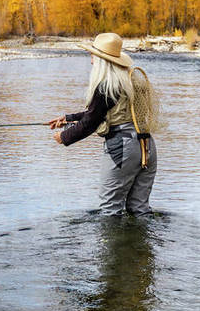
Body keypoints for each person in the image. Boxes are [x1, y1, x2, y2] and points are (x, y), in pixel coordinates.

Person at [48, 32, 157, 216]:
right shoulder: (128, 81)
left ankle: (110, 245)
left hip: (122, 148)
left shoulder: (105, 86)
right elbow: (103, 112)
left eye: (92, 56)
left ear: (101, 60)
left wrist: (64, 136)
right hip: (146, 146)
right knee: (139, 209)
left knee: (110, 210)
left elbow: (91, 122)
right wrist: (68, 118)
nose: (91, 61)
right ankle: (142, 245)